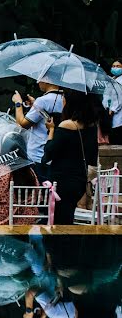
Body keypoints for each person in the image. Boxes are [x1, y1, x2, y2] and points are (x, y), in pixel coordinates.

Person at [42, 89, 100, 225]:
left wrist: (51, 131)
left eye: (64, 99)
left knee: (58, 221)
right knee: (67, 218)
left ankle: (61, 245)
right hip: (79, 181)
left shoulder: (67, 125)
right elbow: (92, 156)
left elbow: (49, 153)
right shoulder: (91, 126)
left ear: (70, 102)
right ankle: (69, 244)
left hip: (62, 182)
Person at [13, 80, 64, 182]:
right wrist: (35, 105)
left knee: (39, 193)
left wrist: (18, 104)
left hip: (38, 155)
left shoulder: (43, 100)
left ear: (47, 80)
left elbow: (22, 124)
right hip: (57, 154)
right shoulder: (65, 99)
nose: (38, 82)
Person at [109, 59, 122, 144]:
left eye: (118, 66)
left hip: (117, 114)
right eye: (113, 66)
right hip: (113, 115)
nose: (115, 68)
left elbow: (120, 98)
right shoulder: (112, 79)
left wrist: (112, 110)